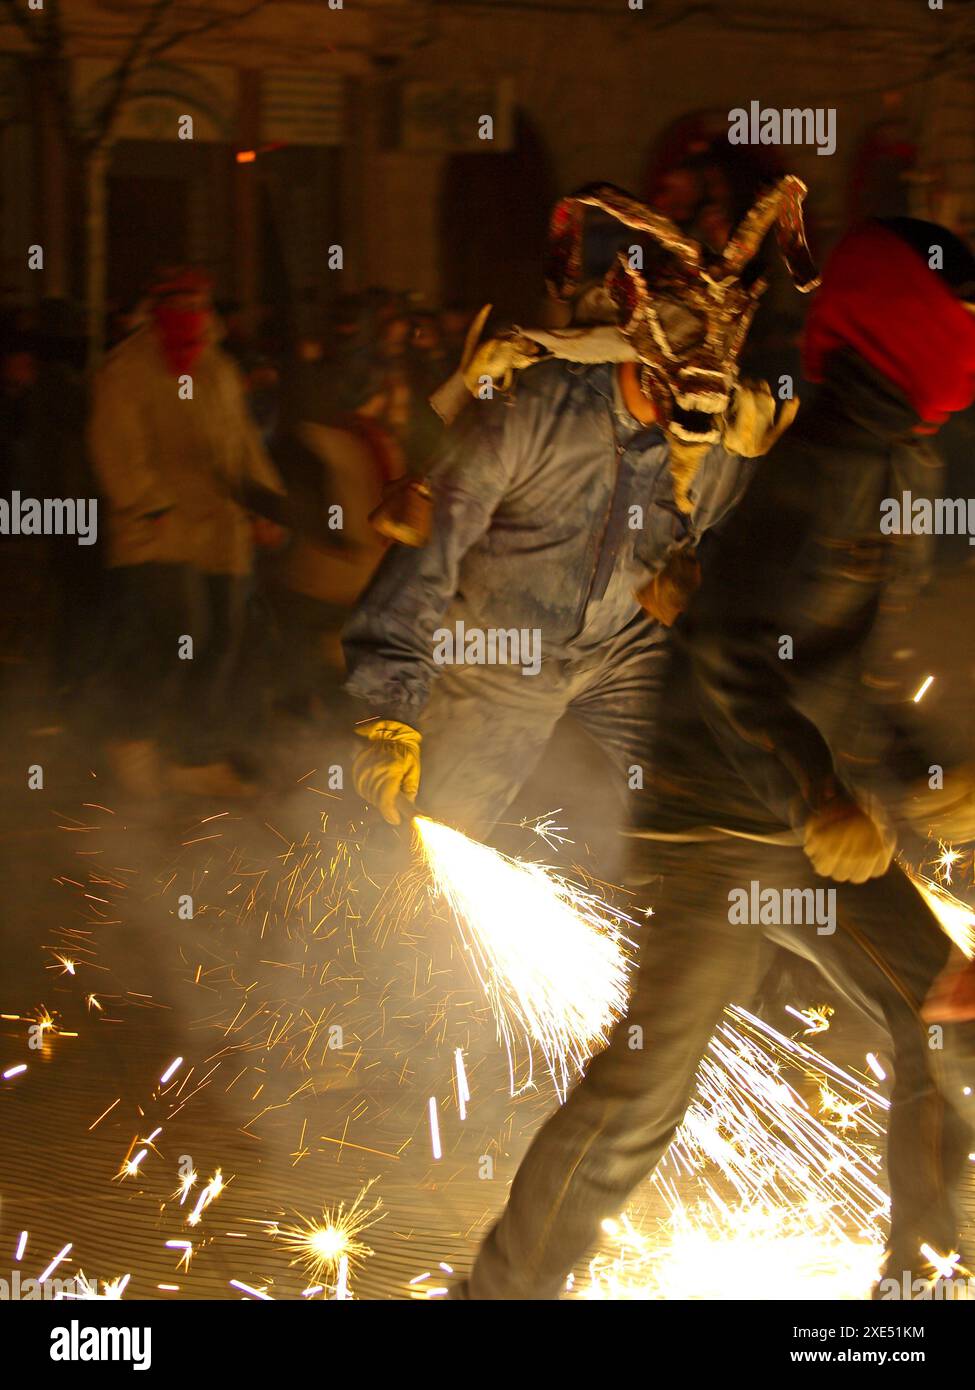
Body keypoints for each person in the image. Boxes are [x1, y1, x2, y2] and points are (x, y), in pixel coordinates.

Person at [457, 217, 975, 1299]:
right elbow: (737, 650)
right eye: (965, 310)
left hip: (810, 820)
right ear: (912, 322)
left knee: (947, 1015)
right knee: (650, 1084)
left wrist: (919, 779)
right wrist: (821, 790)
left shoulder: (899, 457)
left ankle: (923, 1285)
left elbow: (844, 655)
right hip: (727, 821)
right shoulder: (835, 460)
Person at [343, 175, 817, 844]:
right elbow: (428, 556)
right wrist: (387, 707)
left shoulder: (722, 439)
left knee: (704, 816)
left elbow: (704, 547)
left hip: (627, 655)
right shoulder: (526, 415)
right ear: (633, 349)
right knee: (432, 839)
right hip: (498, 655)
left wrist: (687, 590)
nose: (693, 419)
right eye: (676, 387)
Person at [89, 267, 286, 798]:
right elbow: (119, 449)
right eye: (175, 300)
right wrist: (149, 506)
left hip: (220, 535)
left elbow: (242, 444)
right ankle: (132, 740)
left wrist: (268, 506)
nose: (187, 309)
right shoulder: (126, 370)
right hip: (158, 535)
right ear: (156, 307)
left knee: (221, 641)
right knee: (177, 636)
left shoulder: (219, 369)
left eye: (194, 299)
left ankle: (191, 756)